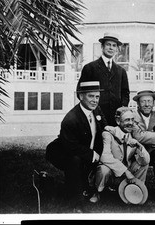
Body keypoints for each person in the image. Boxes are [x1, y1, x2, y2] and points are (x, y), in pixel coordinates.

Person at [45, 81, 107, 212]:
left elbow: (104, 130)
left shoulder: (97, 110)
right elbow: (71, 146)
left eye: (97, 97)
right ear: (81, 96)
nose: (95, 100)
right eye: (91, 96)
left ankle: (87, 188)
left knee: (84, 164)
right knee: (75, 162)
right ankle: (76, 203)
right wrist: (93, 155)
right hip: (62, 151)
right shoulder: (71, 118)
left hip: (83, 150)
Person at [88, 107, 150, 203]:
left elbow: (146, 161)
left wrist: (139, 146)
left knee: (143, 163)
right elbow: (105, 157)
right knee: (104, 169)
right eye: (127, 120)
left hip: (126, 173)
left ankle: (135, 190)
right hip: (112, 174)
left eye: (132, 120)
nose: (131, 123)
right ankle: (97, 193)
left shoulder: (132, 133)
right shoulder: (108, 134)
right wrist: (126, 172)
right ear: (118, 121)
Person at [77, 32, 130, 126]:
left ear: (116, 49)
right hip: (96, 116)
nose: (111, 48)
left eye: (114, 45)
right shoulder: (90, 68)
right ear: (102, 46)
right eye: (108, 44)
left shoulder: (121, 71)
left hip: (115, 118)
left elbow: (125, 93)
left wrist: (122, 109)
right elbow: (80, 92)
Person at [131, 90, 155, 201]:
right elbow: (137, 136)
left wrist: (147, 137)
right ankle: (134, 187)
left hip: (154, 150)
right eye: (143, 102)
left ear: (153, 102)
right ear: (138, 103)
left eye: (149, 101)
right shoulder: (133, 116)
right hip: (136, 151)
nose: (147, 104)